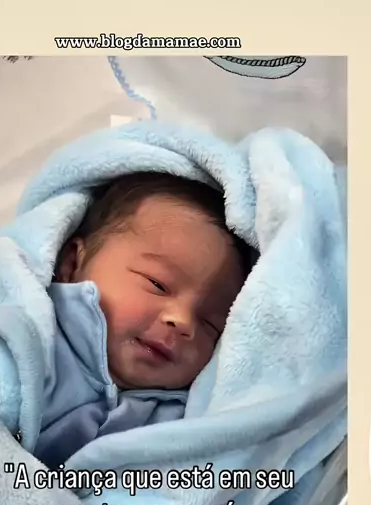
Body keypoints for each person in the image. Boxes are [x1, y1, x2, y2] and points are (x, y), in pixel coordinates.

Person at [34, 172, 254, 468]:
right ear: (73, 264)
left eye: (210, 324)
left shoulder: (182, 421)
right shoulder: (28, 337)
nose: (183, 321)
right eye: (157, 284)